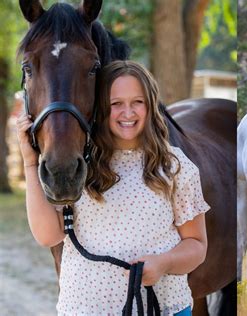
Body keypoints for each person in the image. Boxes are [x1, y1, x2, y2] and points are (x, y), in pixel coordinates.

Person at [17, 60, 210, 315]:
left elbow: (196, 245)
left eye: (137, 102)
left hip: (161, 307)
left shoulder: (174, 166)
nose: (127, 112)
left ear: (150, 106)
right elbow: (48, 236)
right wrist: (31, 163)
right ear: (100, 108)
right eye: (116, 103)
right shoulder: (79, 165)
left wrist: (166, 263)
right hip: (84, 308)